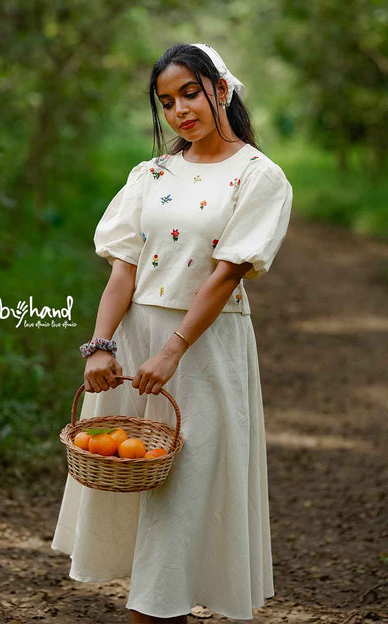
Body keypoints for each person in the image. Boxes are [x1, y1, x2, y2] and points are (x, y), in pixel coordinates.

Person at [51, 42, 293, 623]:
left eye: (191, 92)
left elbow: (224, 273)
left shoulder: (259, 177)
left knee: (184, 489)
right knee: (135, 478)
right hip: (136, 341)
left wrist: (173, 351)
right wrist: (101, 345)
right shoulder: (152, 173)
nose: (180, 109)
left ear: (222, 89)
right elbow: (123, 270)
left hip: (203, 348)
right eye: (166, 101)